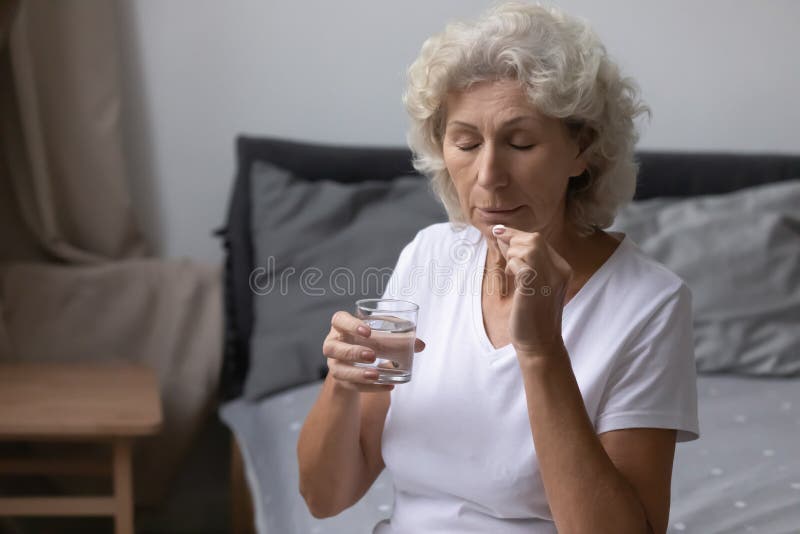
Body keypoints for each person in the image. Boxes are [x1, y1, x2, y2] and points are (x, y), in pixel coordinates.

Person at [297, 2, 699, 533]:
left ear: (582, 149)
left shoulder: (649, 303)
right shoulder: (430, 254)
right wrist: (342, 386)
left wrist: (540, 351)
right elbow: (326, 498)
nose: (488, 176)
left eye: (520, 143)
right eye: (465, 143)